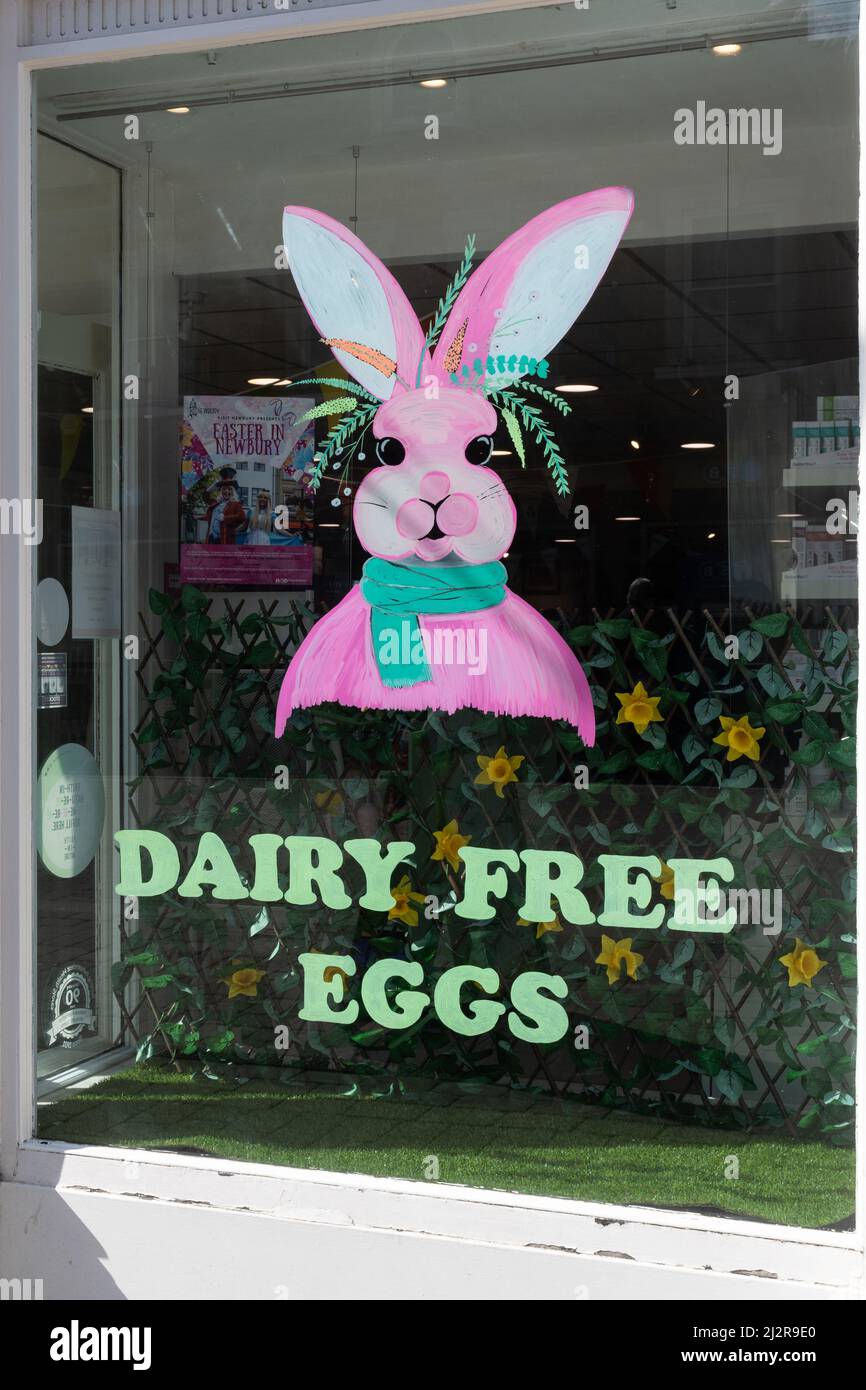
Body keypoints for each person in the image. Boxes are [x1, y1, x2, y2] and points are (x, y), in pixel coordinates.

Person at [204, 467, 247, 544]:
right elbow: (205, 497)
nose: (227, 491)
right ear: (221, 491)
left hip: (225, 540)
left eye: (229, 489)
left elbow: (242, 517)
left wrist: (225, 518)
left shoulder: (235, 504)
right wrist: (213, 486)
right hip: (211, 538)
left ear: (233, 492)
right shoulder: (216, 503)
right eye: (224, 489)